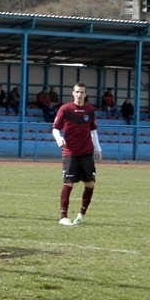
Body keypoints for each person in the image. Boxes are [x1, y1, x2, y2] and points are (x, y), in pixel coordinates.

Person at [51, 82, 102, 226]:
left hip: (86, 152)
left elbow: (93, 131)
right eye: (77, 92)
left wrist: (98, 149)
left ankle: (81, 214)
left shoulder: (89, 110)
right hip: (71, 152)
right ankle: (63, 216)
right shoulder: (65, 109)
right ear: (73, 93)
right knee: (69, 182)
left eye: (82, 92)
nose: (79, 95)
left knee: (90, 183)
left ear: (85, 94)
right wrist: (59, 139)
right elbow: (55, 128)